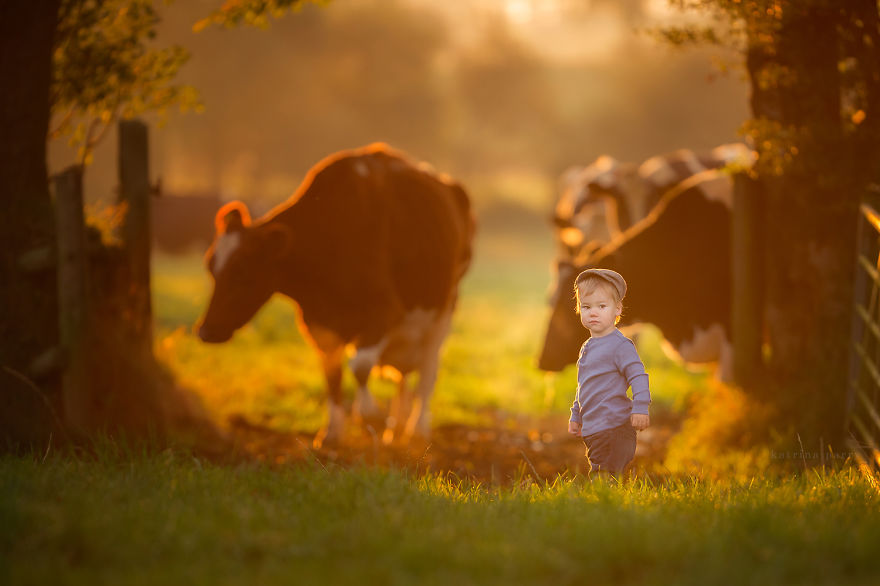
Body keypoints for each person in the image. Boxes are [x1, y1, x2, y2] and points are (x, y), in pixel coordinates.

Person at [567, 268, 650, 480]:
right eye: (586, 307)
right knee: (602, 473)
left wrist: (640, 407)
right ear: (579, 310)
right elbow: (584, 385)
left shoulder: (620, 345)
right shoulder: (587, 346)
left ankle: (604, 505)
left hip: (615, 427)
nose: (593, 312)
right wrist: (576, 415)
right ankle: (608, 505)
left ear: (617, 309)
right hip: (594, 430)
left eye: (601, 306)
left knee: (605, 476)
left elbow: (638, 376)